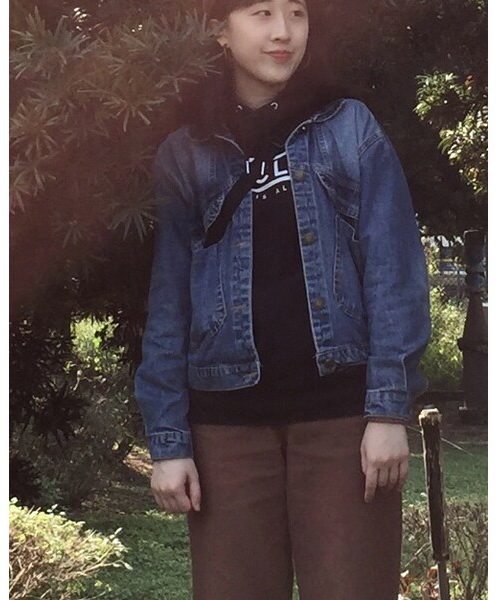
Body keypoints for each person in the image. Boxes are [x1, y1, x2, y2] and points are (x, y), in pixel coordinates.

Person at [134, 0, 431, 598]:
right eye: (261, 12)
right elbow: (168, 305)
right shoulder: (186, 152)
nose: (283, 32)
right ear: (221, 30)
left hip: (342, 424)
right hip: (227, 433)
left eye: (297, 13)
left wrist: (386, 412)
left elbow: (394, 272)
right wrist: (168, 441)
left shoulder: (350, 127)